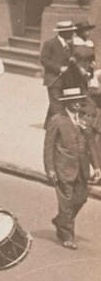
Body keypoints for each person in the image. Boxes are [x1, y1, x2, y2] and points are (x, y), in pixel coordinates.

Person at [44, 87, 93, 250]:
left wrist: (96, 166)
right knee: (66, 201)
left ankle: (60, 220)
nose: (78, 104)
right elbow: (48, 146)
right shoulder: (57, 120)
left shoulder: (83, 120)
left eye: (80, 100)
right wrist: (50, 168)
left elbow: (90, 145)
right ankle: (67, 235)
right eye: (75, 101)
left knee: (81, 198)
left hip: (82, 169)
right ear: (68, 103)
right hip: (63, 168)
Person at [40, 20, 76, 118]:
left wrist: (72, 60)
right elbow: (44, 60)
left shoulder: (70, 45)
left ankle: (50, 125)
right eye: (70, 31)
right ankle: (60, 128)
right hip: (54, 79)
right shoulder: (50, 43)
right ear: (63, 32)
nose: (72, 34)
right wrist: (59, 68)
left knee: (59, 102)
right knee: (57, 105)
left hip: (66, 80)